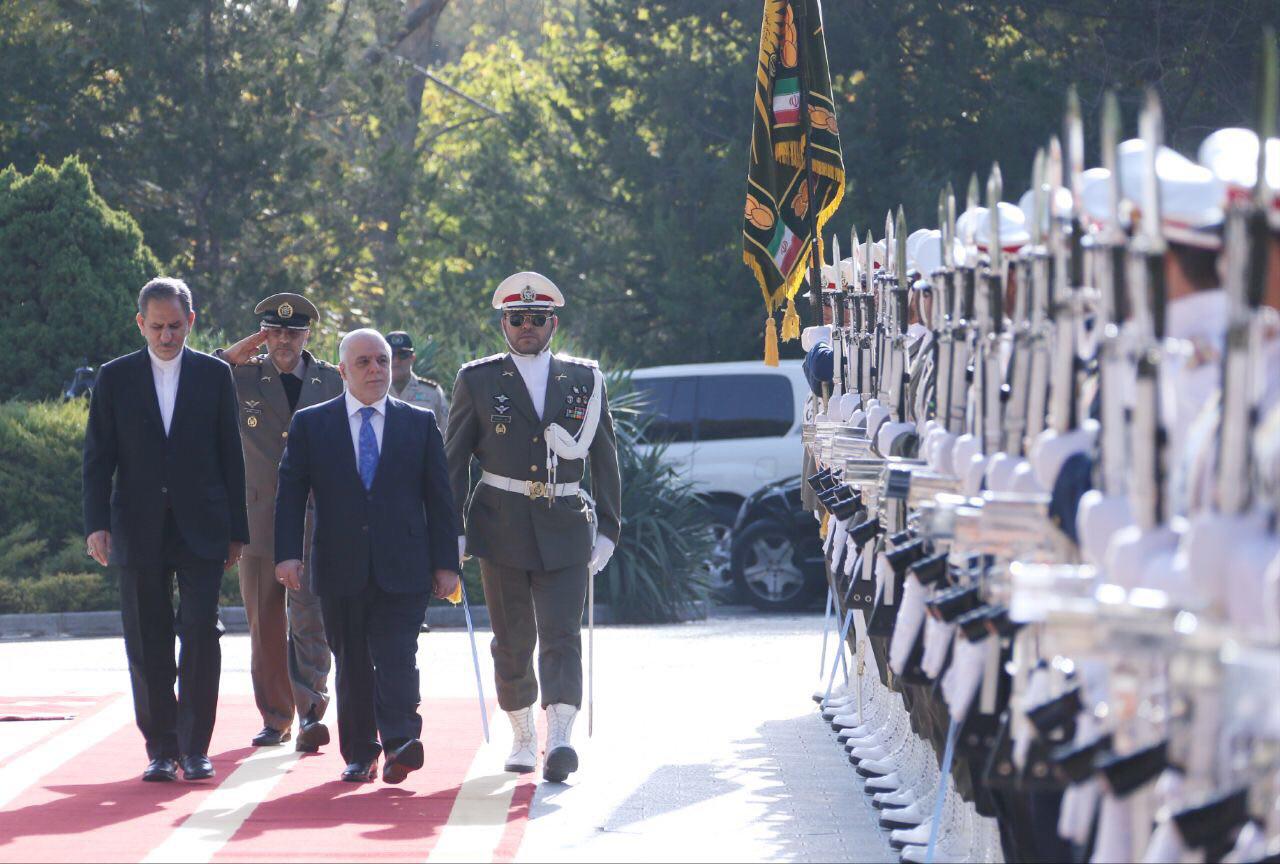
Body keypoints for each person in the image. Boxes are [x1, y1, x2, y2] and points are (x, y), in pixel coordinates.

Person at [444, 271, 621, 782]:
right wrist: (450, 531)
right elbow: (453, 463)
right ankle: (523, 734)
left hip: (565, 524)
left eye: (536, 319)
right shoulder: (477, 379)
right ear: (503, 322)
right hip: (500, 525)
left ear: (553, 323)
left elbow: (606, 457)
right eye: (517, 318)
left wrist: (609, 527)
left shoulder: (584, 379)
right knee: (513, 637)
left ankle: (560, 736)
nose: (526, 327)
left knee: (562, 634)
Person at [82, 277, 249, 783]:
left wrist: (236, 530)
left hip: (202, 527)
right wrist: (96, 526)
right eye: (157, 327)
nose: (167, 336)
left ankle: (196, 747)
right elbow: (97, 459)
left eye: (175, 326)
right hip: (137, 526)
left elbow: (231, 456)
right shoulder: (114, 378)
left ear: (190, 322)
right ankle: (160, 746)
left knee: (201, 631)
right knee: (146, 637)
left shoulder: (215, 375)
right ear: (141, 324)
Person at [274, 328, 459, 784]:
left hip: (405, 564)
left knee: (398, 655)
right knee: (352, 661)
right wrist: (286, 555)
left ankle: (399, 742)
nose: (377, 369)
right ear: (342, 371)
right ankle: (360, 752)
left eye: (382, 360)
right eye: (365, 362)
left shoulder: (418, 422)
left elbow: (440, 498)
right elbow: (291, 493)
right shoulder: (312, 424)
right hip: (339, 565)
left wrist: (446, 563)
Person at [216, 293, 343, 751]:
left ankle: (311, 713)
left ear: (309, 334)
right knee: (265, 623)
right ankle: (275, 717)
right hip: (259, 517)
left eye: (293, 332)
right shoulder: (243, 378)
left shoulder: (331, 380)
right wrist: (233, 355)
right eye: (274, 331)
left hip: (316, 517)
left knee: (311, 620)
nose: (283, 341)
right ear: (262, 335)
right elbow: (199, 381)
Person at [387, 331, 449, 433]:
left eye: (403, 355)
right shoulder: (373, 393)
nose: (396, 360)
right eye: (391, 355)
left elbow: (447, 432)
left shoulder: (432, 392)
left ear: (413, 358)